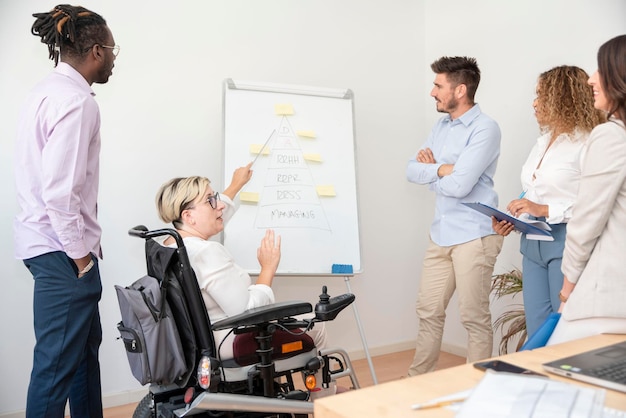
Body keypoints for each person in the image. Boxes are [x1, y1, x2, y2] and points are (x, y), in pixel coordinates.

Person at [13, 5, 118, 418]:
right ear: (96, 51)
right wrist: (80, 260)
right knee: (55, 371)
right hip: (63, 253)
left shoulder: (43, 92)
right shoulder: (77, 103)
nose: (113, 58)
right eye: (112, 50)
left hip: (48, 247)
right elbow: (59, 194)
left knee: (79, 360)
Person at [154, 165, 337, 397]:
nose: (219, 205)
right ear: (188, 215)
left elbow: (213, 220)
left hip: (198, 343)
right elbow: (249, 311)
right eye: (210, 201)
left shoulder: (169, 247)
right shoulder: (207, 253)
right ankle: (326, 400)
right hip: (230, 342)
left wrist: (236, 185)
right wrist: (268, 268)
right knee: (317, 325)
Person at [406, 56, 504, 376]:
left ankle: (475, 391)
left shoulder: (485, 128)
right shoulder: (441, 126)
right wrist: (445, 169)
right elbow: (411, 170)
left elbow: (461, 186)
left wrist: (433, 170)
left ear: (460, 90)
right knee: (428, 311)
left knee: (474, 318)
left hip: (474, 235)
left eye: (438, 85)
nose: (432, 92)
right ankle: (415, 382)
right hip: (441, 233)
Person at [492, 66, 604, 338]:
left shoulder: (589, 143)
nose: (534, 102)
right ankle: (539, 381)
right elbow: (533, 192)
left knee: (565, 331)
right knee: (538, 331)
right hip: (533, 244)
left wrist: (543, 209)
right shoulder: (542, 143)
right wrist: (516, 219)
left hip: (566, 243)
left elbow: (598, 204)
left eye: (542, 95)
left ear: (564, 98)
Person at [547, 34, 626, 345]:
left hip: (604, 301)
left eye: (600, 70)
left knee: (549, 381)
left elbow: (586, 223)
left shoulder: (611, 136)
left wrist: (568, 288)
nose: (592, 79)